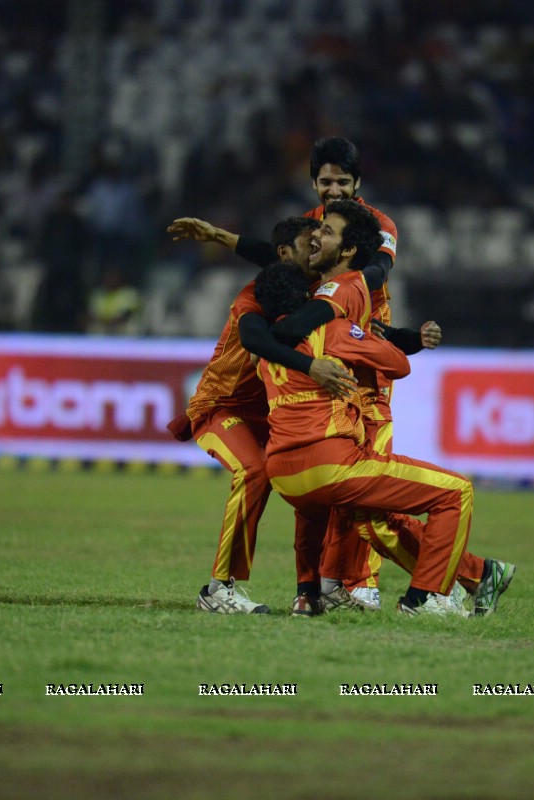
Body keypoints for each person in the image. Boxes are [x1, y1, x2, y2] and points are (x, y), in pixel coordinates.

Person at [167, 137, 401, 607]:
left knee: (335, 478)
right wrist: (221, 238)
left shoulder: (372, 230)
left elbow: (374, 272)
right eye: (325, 180)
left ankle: (337, 586)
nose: (332, 189)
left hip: (341, 364)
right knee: (286, 474)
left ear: (357, 183)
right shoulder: (267, 291)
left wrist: (383, 327)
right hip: (253, 394)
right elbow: (259, 324)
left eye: (342, 181)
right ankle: (233, 590)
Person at [272, 200, 515, 616]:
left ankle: (323, 590)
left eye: (327, 230)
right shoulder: (334, 296)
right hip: (337, 442)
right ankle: (425, 595)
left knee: (369, 519)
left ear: (349, 250)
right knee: (443, 496)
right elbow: (391, 359)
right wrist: (367, 341)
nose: (316, 234)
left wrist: (381, 336)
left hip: (284, 460)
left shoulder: (319, 290)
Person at [168, 217, 359, 615]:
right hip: (220, 407)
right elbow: (254, 337)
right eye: (309, 244)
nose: (316, 249)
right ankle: (218, 589)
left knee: (317, 479)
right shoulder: (256, 295)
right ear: (286, 254)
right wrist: (311, 368)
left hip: (271, 417)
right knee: (253, 471)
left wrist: (221, 235)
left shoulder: (313, 291)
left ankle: (315, 589)